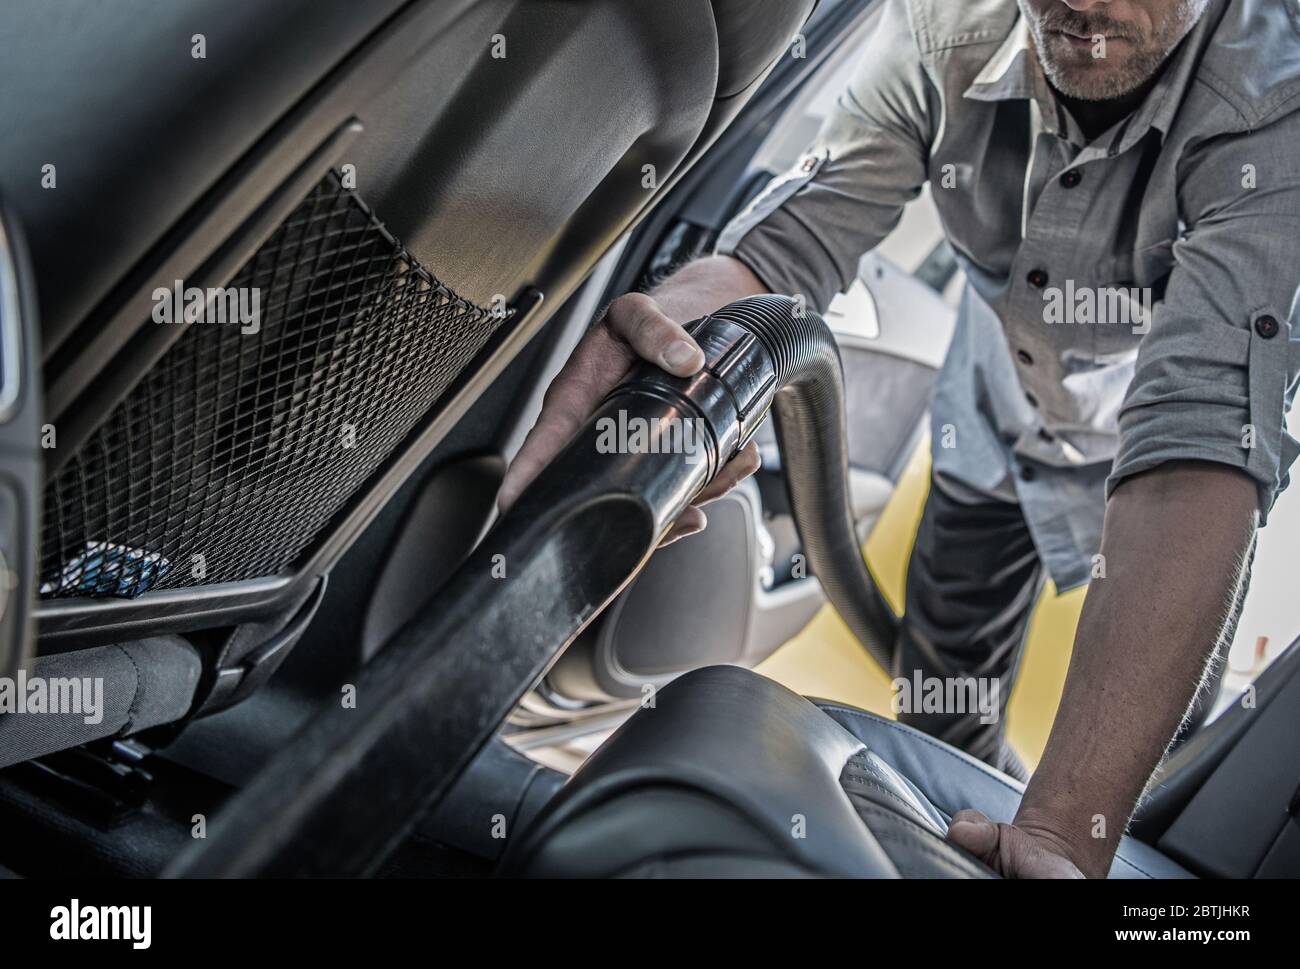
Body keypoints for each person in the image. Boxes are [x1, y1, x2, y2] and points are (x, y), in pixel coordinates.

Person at [500, 0, 1300, 877]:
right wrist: (674, 333)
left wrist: (1067, 834)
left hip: (1149, 463)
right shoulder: (940, 27)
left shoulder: (1273, 105)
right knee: (941, 704)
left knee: (1154, 768)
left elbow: (1198, 428)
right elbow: (793, 240)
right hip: (989, 426)